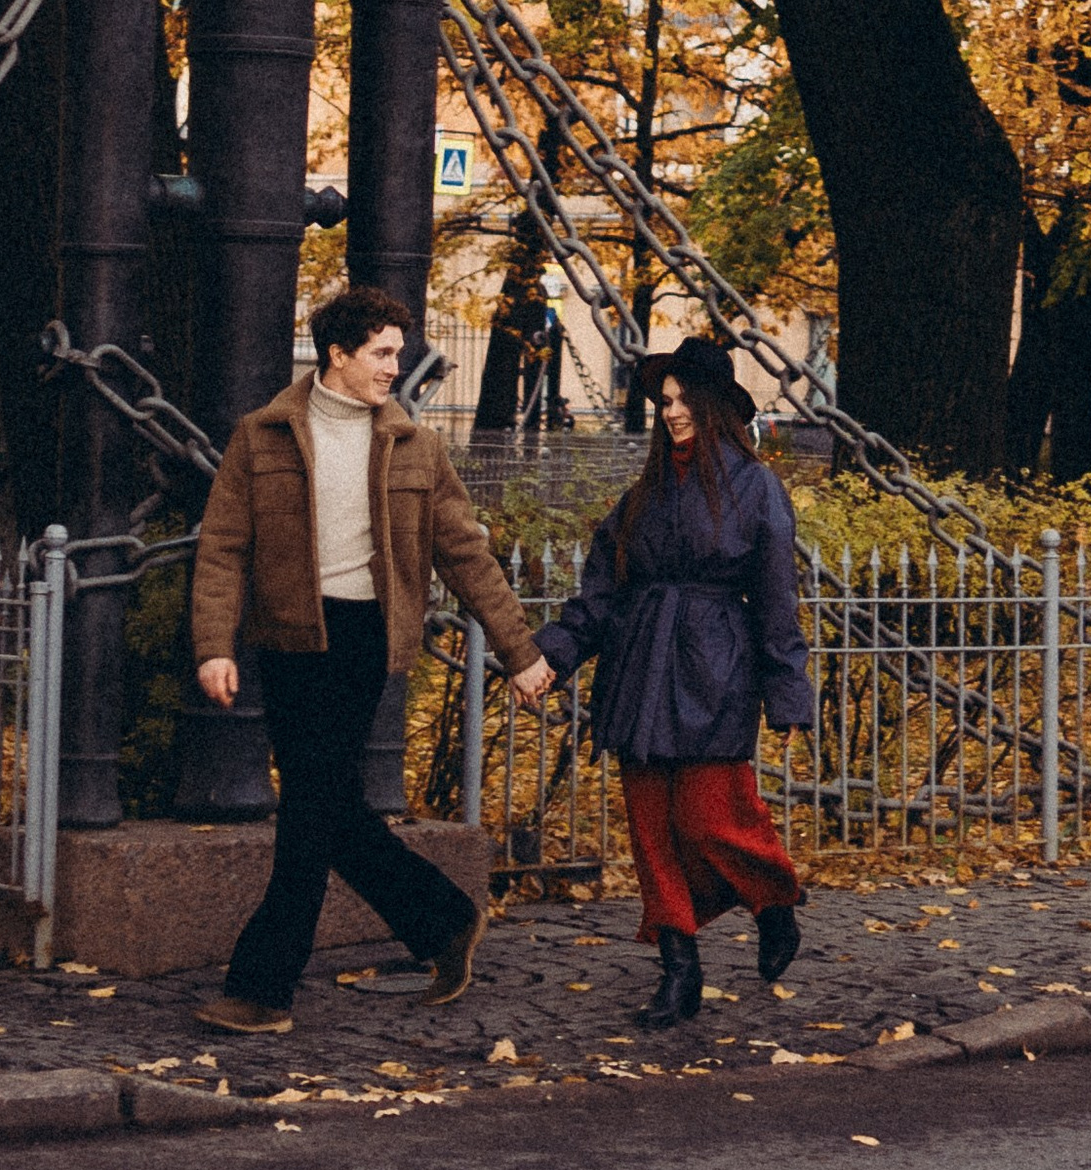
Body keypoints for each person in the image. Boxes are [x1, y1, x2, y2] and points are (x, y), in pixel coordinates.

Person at [189, 285, 555, 1036]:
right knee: (333, 810)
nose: (397, 366)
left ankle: (262, 987)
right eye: (382, 353)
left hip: (364, 641)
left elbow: (465, 553)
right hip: (289, 642)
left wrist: (520, 650)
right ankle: (444, 920)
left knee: (307, 815)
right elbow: (223, 550)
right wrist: (214, 646)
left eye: (399, 352)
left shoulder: (414, 446)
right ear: (338, 355)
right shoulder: (262, 436)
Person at [533, 338, 815, 1030]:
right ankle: (678, 970)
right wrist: (550, 657)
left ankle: (773, 900)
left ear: (716, 405)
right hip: (638, 671)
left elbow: (776, 598)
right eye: (664, 402)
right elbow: (598, 597)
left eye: (684, 399)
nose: (671, 412)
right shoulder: (642, 497)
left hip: (715, 668)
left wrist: (788, 692)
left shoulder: (756, 488)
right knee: (652, 830)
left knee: (711, 816)